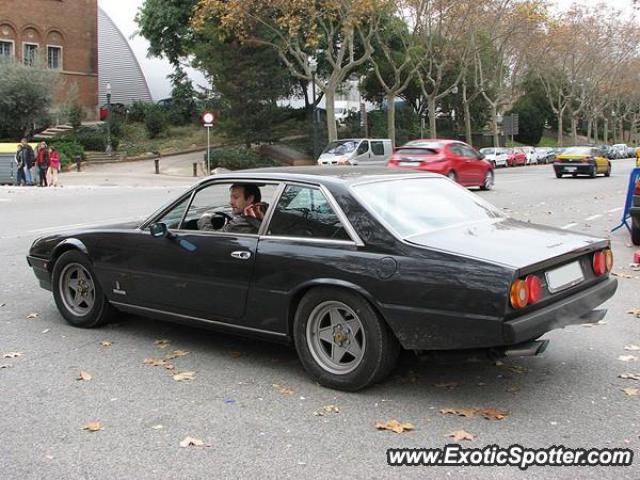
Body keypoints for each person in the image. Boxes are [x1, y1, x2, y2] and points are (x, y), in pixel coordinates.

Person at [197, 184, 268, 234]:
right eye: (231, 197)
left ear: (250, 198)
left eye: (235, 197)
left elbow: (213, 237)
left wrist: (205, 218)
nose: (230, 202)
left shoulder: (245, 221)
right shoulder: (265, 211)